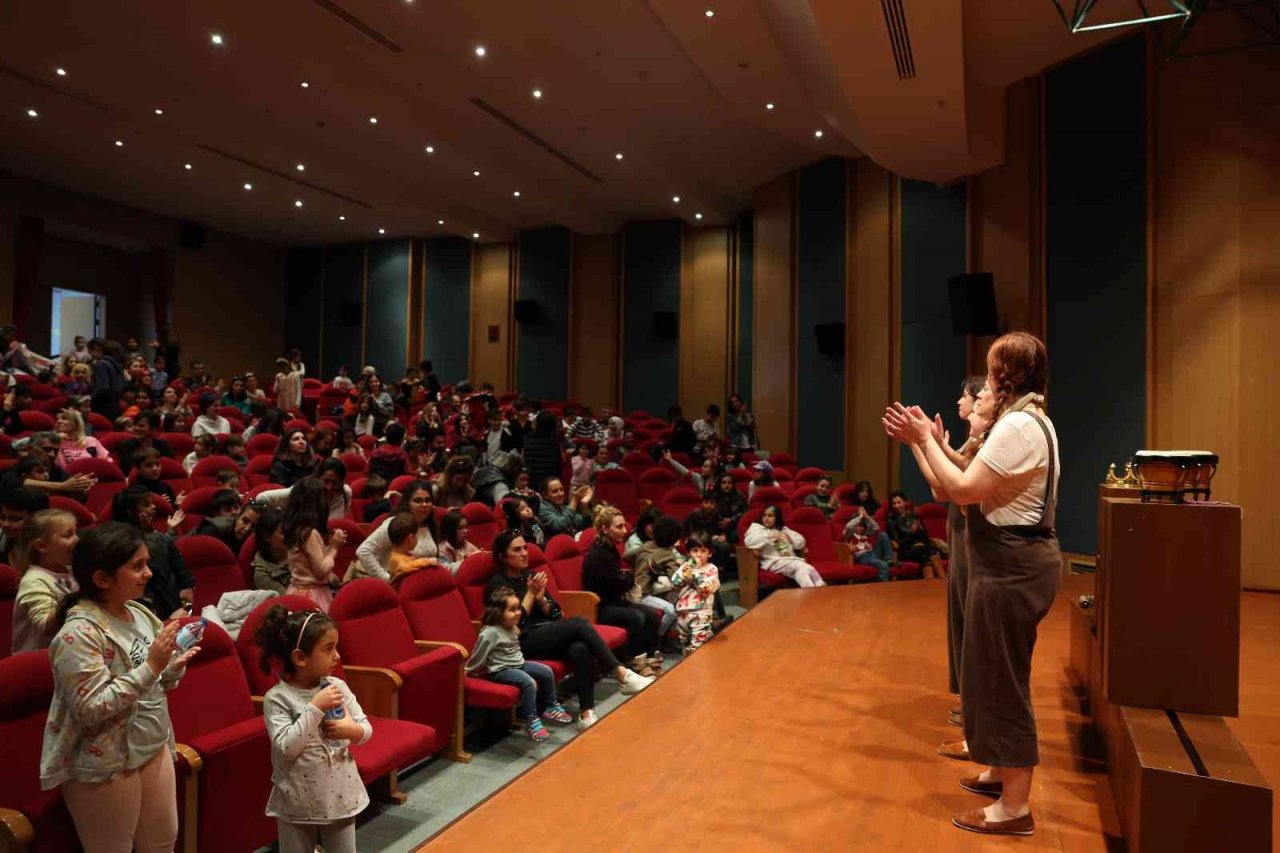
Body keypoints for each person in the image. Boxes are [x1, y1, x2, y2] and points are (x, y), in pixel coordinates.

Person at [883, 331, 1061, 837]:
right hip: (1004, 562)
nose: (983, 382)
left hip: (1011, 564)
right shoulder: (1024, 419)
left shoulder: (1020, 426)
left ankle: (1015, 809)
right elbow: (954, 481)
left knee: (1002, 683)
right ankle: (1002, 773)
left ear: (1006, 376)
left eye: (988, 372)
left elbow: (959, 489)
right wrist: (930, 444)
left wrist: (923, 441)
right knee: (987, 673)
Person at [40, 523, 200, 853]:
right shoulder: (78, 634)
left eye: (147, 563)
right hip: (104, 762)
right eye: (137, 566)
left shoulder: (139, 612)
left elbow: (153, 685)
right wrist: (153, 666)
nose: (149, 573)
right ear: (102, 579)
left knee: (162, 844)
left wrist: (170, 669)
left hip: (152, 745)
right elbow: (90, 708)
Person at [485, 530, 651, 731]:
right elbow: (512, 627)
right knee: (580, 623)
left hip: (544, 633)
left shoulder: (530, 576)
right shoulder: (497, 584)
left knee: (580, 648)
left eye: (525, 548)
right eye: (517, 550)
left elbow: (555, 612)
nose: (524, 553)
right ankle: (621, 673)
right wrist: (530, 595)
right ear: (502, 556)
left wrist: (542, 601)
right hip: (518, 642)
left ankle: (586, 713)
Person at [255, 605, 370, 853]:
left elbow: (365, 729)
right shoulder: (277, 698)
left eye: (336, 647)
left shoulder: (336, 686)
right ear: (300, 658)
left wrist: (351, 730)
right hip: (296, 801)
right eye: (328, 649)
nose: (337, 656)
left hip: (340, 793)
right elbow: (286, 748)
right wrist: (315, 707)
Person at [468, 586, 574, 742]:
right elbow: (479, 653)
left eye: (518, 608)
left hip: (518, 664)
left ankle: (551, 706)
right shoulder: (490, 632)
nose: (518, 612)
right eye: (512, 610)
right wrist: (469, 670)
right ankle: (532, 721)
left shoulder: (511, 626)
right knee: (529, 682)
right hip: (501, 670)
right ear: (498, 613)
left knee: (546, 671)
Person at [582, 506, 661, 676]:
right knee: (636, 617)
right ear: (604, 529)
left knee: (652, 615)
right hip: (600, 608)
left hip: (615, 601)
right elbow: (618, 583)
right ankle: (635, 661)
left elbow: (619, 580)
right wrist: (630, 578)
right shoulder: (598, 555)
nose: (624, 531)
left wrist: (627, 579)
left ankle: (650, 656)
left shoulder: (610, 549)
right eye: (619, 527)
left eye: (624, 526)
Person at [112, 486, 193, 619]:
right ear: (131, 512)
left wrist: (186, 607)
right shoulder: (121, 545)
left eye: (152, 502)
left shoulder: (158, 537)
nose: (154, 506)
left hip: (176, 609)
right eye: (147, 505)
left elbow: (184, 577)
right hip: (148, 614)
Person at [11, 508, 78, 653]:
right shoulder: (34, 580)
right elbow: (46, 627)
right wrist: (84, 595)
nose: (77, 540)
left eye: (75, 533)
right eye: (68, 535)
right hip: (37, 664)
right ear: (41, 546)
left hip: (69, 654)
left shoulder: (71, 570)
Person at [351, 480, 438, 582]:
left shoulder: (430, 525)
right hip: (396, 585)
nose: (424, 505)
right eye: (418, 501)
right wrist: (387, 579)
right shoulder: (396, 524)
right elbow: (363, 551)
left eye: (427, 500)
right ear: (407, 503)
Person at [283, 478, 346, 612]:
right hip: (313, 594)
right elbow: (320, 571)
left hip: (296, 590)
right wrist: (334, 548)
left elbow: (309, 563)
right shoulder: (309, 534)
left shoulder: (297, 529)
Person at [624, 514, 680, 645]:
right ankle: (657, 640)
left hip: (633, 589)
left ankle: (669, 638)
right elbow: (676, 578)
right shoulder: (667, 554)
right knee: (672, 610)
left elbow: (626, 556)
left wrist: (638, 565)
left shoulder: (647, 545)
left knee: (672, 597)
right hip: (641, 595)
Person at [743, 505, 825, 588]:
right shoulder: (757, 528)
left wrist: (790, 539)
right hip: (773, 562)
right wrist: (770, 535)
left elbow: (801, 541)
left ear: (777, 518)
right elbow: (750, 542)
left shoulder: (782, 529)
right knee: (801, 566)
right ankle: (819, 591)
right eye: (764, 515)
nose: (766, 518)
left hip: (789, 560)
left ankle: (815, 591)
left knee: (805, 569)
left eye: (770, 516)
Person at [671, 535, 721, 652]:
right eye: (695, 550)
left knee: (697, 649)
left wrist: (694, 575)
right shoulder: (686, 566)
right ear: (689, 553)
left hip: (700, 613)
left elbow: (705, 590)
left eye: (703, 551)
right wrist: (685, 572)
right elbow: (674, 583)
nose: (699, 555)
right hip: (683, 613)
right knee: (685, 647)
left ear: (710, 553)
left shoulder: (712, 569)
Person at [886, 490, 946, 578]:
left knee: (930, 549)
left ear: (905, 503)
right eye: (894, 503)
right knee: (921, 550)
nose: (896, 506)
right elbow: (898, 544)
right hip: (904, 551)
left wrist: (919, 531)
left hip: (921, 547)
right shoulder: (892, 521)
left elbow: (925, 537)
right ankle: (932, 585)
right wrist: (912, 533)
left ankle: (942, 581)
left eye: (899, 502)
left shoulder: (914, 516)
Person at [385, 513, 439, 588]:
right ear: (410, 539)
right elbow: (405, 567)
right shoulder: (396, 559)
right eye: (416, 536)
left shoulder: (404, 555)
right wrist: (428, 561)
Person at [842, 507, 896, 582]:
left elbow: (876, 528)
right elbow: (849, 526)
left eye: (861, 526)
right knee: (884, 565)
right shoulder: (849, 534)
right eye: (858, 526)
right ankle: (882, 586)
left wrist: (866, 516)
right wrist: (860, 516)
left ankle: (888, 559)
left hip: (872, 552)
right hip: (863, 556)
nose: (860, 529)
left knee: (883, 535)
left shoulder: (865, 534)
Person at [0, 487, 51, 562]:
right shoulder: (2, 537)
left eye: (15, 519)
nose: (5, 524)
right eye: (3, 518)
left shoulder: (53, 548)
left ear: (37, 520)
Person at [117, 411, 175, 476]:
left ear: (154, 429)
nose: (136, 428)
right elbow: (128, 471)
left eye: (141, 426)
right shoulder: (126, 446)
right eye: (135, 425)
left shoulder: (163, 445)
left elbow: (171, 468)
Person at [521, 410, 563, 491]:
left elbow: (523, 460)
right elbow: (561, 462)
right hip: (549, 486)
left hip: (530, 484)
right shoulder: (555, 442)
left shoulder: (527, 440)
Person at [252, 508, 291, 594]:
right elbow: (287, 598)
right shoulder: (261, 574)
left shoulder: (298, 549)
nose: (289, 536)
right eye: (283, 532)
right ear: (267, 537)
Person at [437, 509, 479, 574]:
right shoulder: (442, 548)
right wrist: (467, 561)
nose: (465, 531)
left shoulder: (465, 544)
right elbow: (445, 571)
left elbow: (477, 554)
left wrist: (481, 554)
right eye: (460, 528)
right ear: (451, 530)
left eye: (466, 527)